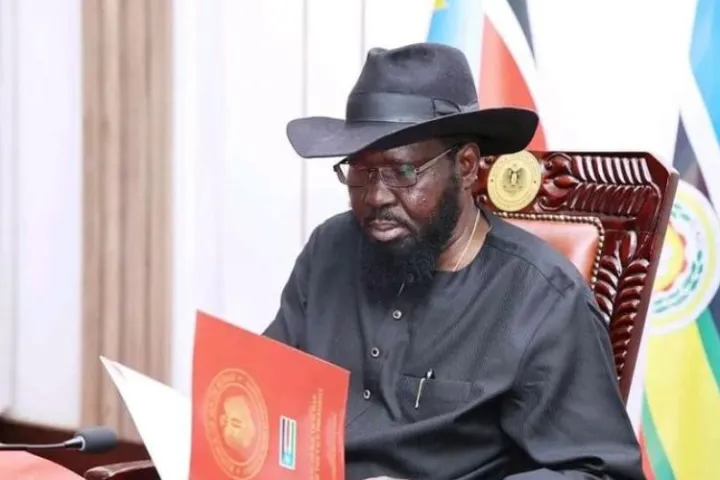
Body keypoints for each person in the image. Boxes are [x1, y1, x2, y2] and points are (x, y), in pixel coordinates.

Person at [264, 42, 645, 480]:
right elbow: (267, 389)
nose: (376, 196)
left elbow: (598, 473)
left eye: (403, 172)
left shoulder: (542, 300)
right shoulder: (331, 248)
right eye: (360, 171)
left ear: (465, 167)